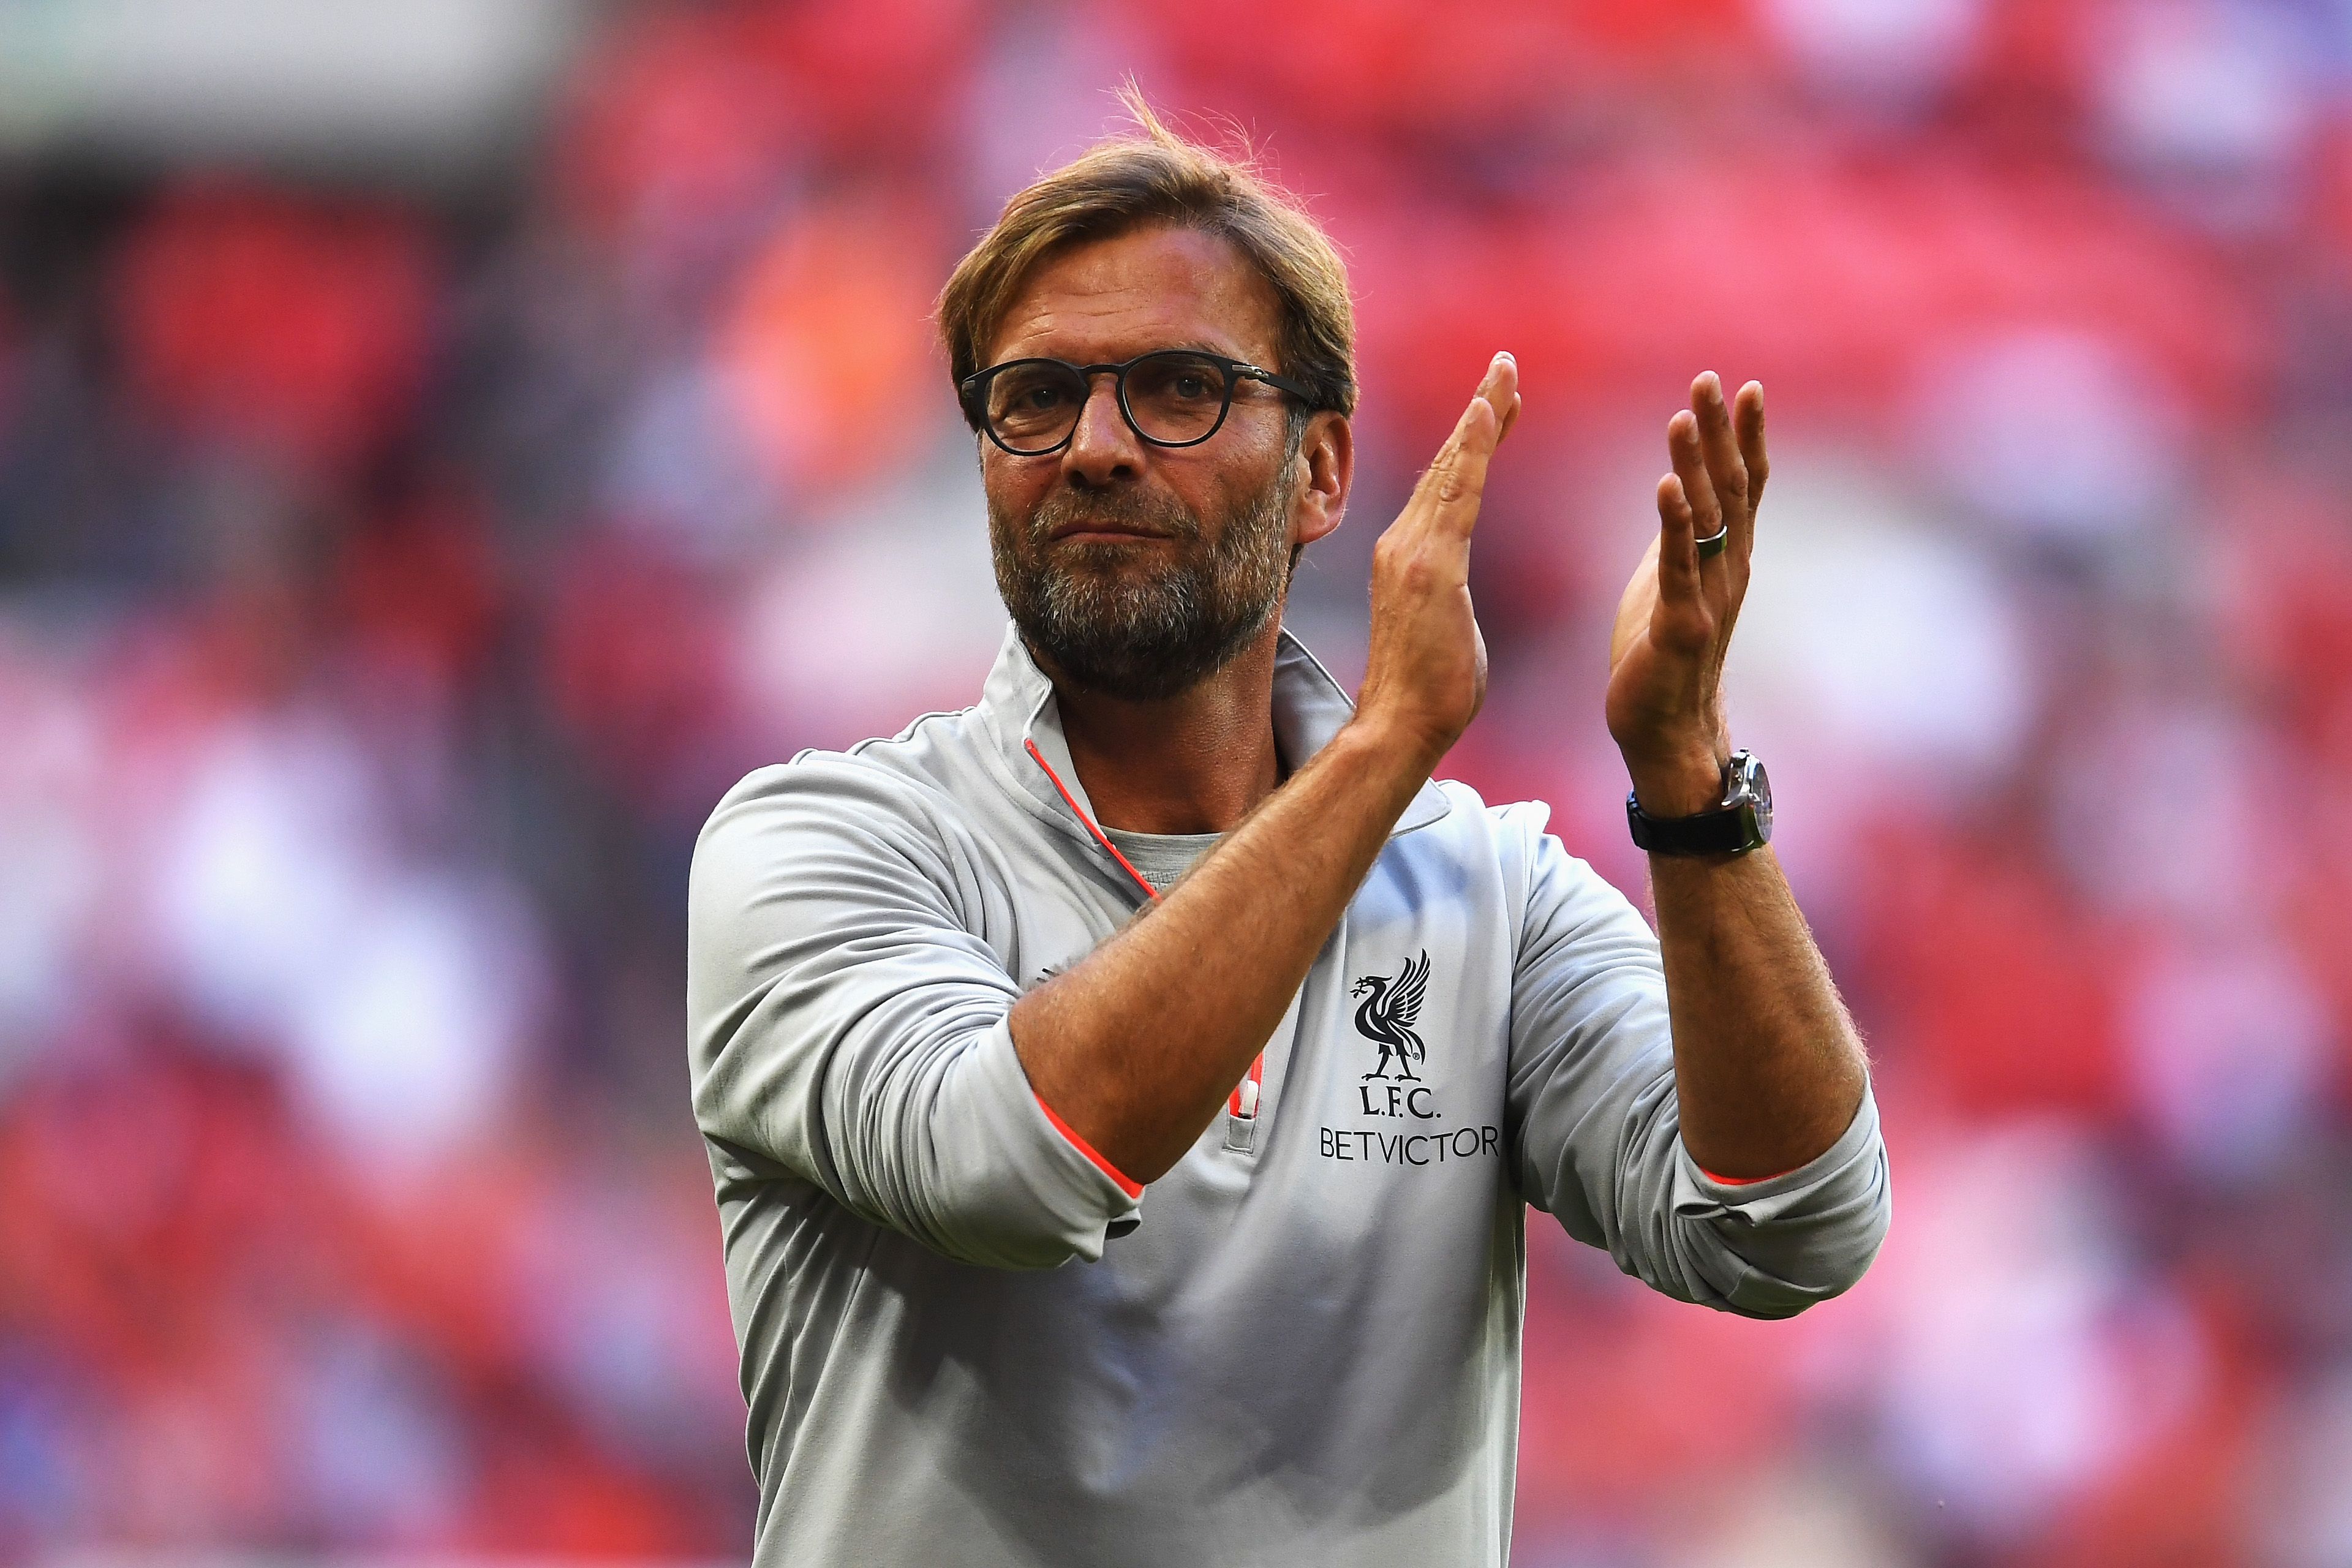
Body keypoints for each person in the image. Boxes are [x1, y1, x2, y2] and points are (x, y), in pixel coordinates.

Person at [687, 100, 1889, 1568]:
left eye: (1180, 389)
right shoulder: (819, 849)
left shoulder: (1485, 894)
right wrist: (1381, 748)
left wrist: (1688, 781)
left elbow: (1792, 1221)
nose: (1098, 448)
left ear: (1324, 472)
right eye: (1035, 396)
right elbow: (1019, 1160)